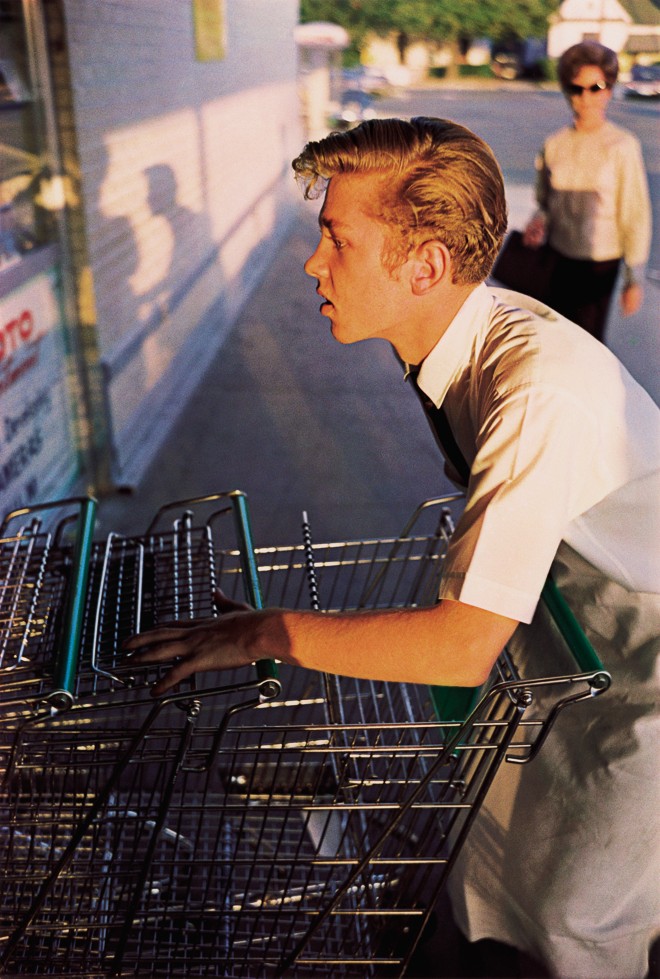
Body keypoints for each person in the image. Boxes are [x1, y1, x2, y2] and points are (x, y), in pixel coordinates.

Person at [125, 117, 660, 978]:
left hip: (644, 666)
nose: (313, 262)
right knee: (497, 861)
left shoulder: (536, 393)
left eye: (337, 238)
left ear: (425, 266)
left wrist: (271, 632)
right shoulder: (455, 345)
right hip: (576, 627)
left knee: (579, 919)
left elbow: (459, 645)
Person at [522, 41, 652, 342]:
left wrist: (634, 279)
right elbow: (544, 201)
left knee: (587, 344)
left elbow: (635, 213)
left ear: (608, 89)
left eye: (595, 88)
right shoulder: (554, 144)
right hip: (557, 257)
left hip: (600, 263)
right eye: (576, 89)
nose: (585, 98)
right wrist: (538, 220)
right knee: (554, 340)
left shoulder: (623, 146)